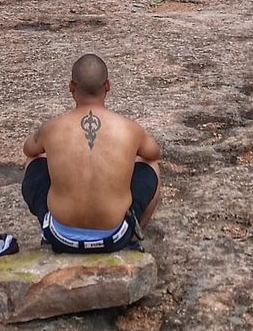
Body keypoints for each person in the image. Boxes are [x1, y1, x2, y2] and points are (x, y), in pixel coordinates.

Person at [21, 53, 161, 253]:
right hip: (113, 239)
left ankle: (48, 232)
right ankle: (133, 236)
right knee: (150, 165)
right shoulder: (128, 128)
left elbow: (29, 149)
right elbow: (154, 152)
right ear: (108, 86)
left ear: (71, 87)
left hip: (61, 239)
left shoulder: (52, 128)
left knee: (35, 160)